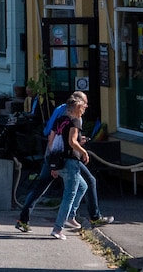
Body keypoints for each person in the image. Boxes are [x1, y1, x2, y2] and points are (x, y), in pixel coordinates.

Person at [14, 91, 114, 232]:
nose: (86, 106)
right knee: (87, 182)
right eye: (85, 103)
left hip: (53, 155)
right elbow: (67, 139)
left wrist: (54, 159)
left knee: (40, 188)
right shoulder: (75, 116)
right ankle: (92, 217)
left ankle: (23, 220)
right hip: (65, 157)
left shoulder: (60, 110)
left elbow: (52, 133)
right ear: (78, 103)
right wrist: (79, 149)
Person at [46, 95, 90, 239]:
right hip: (70, 161)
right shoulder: (75, 120)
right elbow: (72, 142)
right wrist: (84, 152)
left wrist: (53, 166)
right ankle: (58, 228)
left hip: (59, 161)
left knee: (83, 187)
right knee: (69, 196)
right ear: (77, 108)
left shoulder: (60, 120)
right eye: (83, 107)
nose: (84, 109)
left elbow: (51, 141)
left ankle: (70, 216)